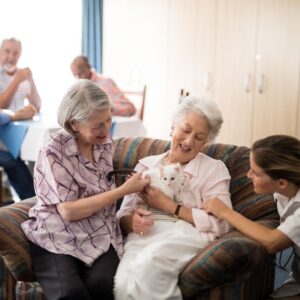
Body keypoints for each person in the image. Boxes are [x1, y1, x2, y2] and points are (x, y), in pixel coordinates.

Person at [21, 79, 149, 300]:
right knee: (70, 293)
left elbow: (104, 190)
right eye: (98, 125)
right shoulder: (53, 151)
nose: (106, 130)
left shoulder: (105, 144)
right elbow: (68, 211)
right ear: (74, 124)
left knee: (103, 284)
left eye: (108, 120)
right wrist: (123, 190)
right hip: (58, 233)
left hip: (99, 230)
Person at [114, 96, 232, 300]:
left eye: (199, 137)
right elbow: (121, 216)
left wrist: (170, 206)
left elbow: (222, 223)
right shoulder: (145, 165)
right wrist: (129, 222)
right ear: (173, 126)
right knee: (123, 284)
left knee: (151, 263)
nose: (188, 141)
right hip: (142, 235)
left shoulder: (214, 169)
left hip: (183, 233)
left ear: (206, 142)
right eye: (186, 130)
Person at [204, 135, 300, 299]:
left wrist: (225, 212)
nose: (248, 175)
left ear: (282, 183)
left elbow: (272, 241)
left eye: (255, 172)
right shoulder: (283, 191)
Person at [0, 37, 41, 200]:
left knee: (39, 156)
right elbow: (2, 104)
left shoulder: (23, 75)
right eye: (7, 51)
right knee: (14, 161)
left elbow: (37, 105)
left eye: (15, 52)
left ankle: (37, 200)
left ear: (20, 55)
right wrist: (17, 80)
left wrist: (30, 80)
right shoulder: (14, 77)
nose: (11, 56)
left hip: (18, 133)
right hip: (3, 138)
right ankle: (31, 202)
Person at [71, 55, 136, 117]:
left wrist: (107, 108)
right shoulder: (79, 89)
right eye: (75, 75)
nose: (78, 78)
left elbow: (131, 109)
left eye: (80, 73)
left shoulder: (106, 83)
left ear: (89, 67)